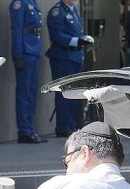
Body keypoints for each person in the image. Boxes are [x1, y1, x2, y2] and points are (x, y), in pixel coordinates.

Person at [47, 0, 94, 137]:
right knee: (64, 93)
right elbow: (57, 35)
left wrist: (83, 39)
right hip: (63, 57)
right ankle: (63, 126)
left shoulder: (73, 10)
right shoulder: (57, 11)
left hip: (75, 57)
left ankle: (74, 125)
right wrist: (77, 41)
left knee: (75, 93)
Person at [10, 0, 48, 144]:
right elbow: (17, 29)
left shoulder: (33, 2)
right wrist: (17, 54)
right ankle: (24, 131)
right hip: (25, 51)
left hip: (34, 50)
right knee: (24, 92)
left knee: (31, 93)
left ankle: (30, 129)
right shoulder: (19, 3)